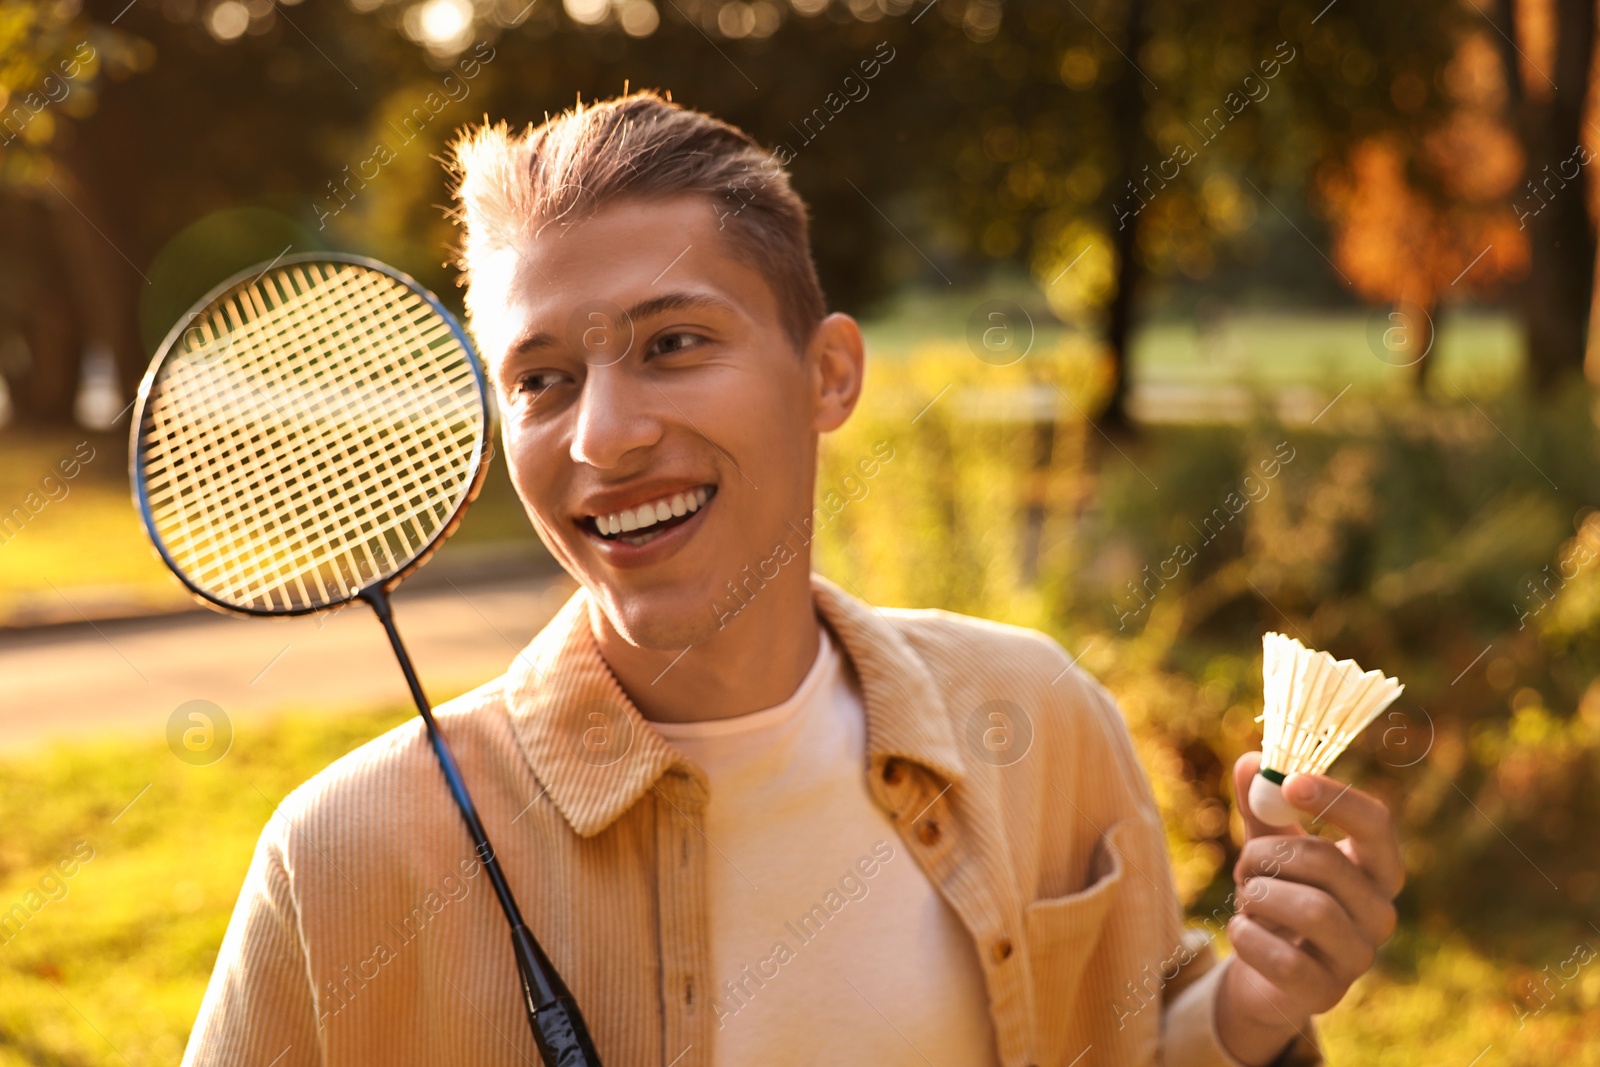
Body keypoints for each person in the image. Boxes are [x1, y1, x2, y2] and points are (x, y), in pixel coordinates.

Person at [181, 90, 1401, 1067]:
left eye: (672, 343)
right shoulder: (340, 861)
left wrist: (1247, 1012)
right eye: (542, 377)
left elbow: (1135, 1037)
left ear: (828, 376)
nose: (603, 436)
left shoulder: (1037, 716)